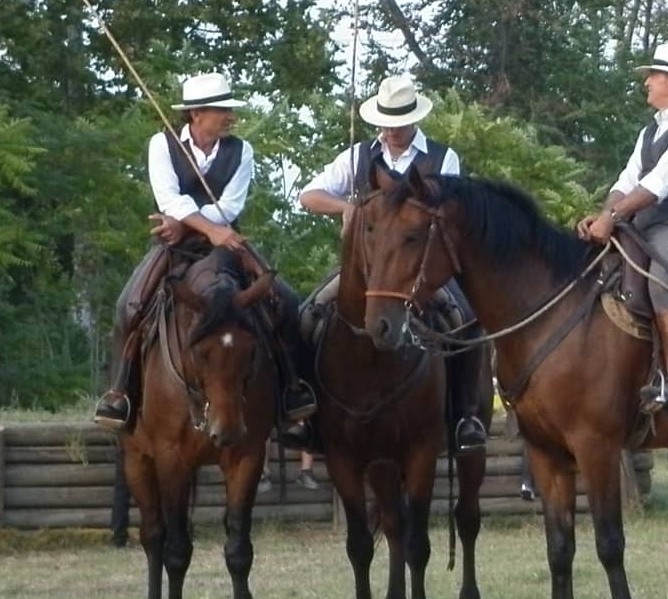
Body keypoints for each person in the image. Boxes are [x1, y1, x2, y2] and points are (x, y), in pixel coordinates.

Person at [94, 72, 314, 432]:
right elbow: (168, 198)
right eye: (221, 110)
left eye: (229, 109)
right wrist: (195, 228)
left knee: (286, 302)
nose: (230, 116)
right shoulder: (161, 144)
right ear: (196, 114)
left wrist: (189, 223)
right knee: (128, 305)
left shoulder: (242, 150)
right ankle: (121, 393)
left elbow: (230, 205)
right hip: (176, 246)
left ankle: (292, 388)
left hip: (224, 243)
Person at [297, 72, 489, 453]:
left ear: (414, 117)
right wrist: (347, 208)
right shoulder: (357, 156)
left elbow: (452, 211)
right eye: (387, 122)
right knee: (308, 314)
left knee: (464, 320)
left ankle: (465, 413)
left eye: (400, 121)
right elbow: (309, 196)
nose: (393, 130)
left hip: (421, 266)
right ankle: (307, 413)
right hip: (367, 269)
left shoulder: (441, 156)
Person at [576, 42, 668, 421]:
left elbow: (658, 184)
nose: (647, 84)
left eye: (653, 77)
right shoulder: (650, 132)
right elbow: (626, 181)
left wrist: (613, 216)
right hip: (645, 227)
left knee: (660, 283)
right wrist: (603, 214)